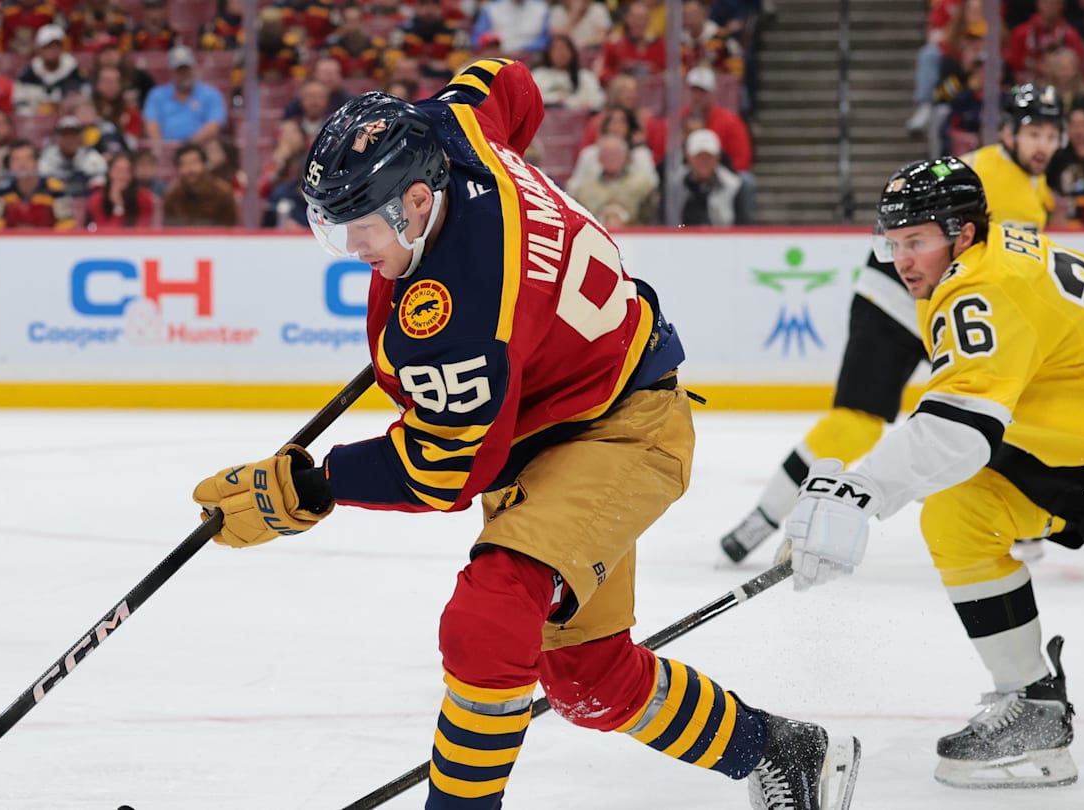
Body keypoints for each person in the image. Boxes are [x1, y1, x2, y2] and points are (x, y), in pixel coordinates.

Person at [188, 59, 860, 809]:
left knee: (490, 613)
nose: (352, 251)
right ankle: (785, 750)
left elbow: (442, 471)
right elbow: (506, 80)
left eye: (361, 228)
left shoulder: (460, 308)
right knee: (589, 681)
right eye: (331, 228)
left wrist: (312, 486)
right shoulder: (455, 127)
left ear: (417, 201)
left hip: (618, 433)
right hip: (560, 415)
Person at [781, 154, 1084, 790]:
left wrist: (857, 491)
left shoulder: (980, 284)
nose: (901, 259)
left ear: (961, 234)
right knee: (964, 512)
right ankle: (1034, 712)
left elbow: (959, 431)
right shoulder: (987, 256)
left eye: (917, 241)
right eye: (894, 242)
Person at [717, 83, 1066, 565]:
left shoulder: (1032, 184)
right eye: (1033, 133)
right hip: (899, 300)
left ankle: (1016, 515)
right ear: (1008, 132)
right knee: (857, 425)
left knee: (1006, 409)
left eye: (1051, 134)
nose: (1043, 145)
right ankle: (764, 517)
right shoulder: (987, 173)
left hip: (944, 300)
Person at [0, 139, 75, 230]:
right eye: (16, 159)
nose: (22, 164)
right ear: (10, 164)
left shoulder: (53, 188)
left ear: (36, 162)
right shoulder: (3, 191)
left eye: (28, 159)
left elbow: (67, 223)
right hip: (13, 242)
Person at [86, 152, 155, 228]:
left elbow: (142, 230)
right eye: (118, 170)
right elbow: (104, 234)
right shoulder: (97, 200)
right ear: (109, 173)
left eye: (127, 171)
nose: (122, 175)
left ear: (133, 174)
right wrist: (118, 208)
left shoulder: (144, 198)